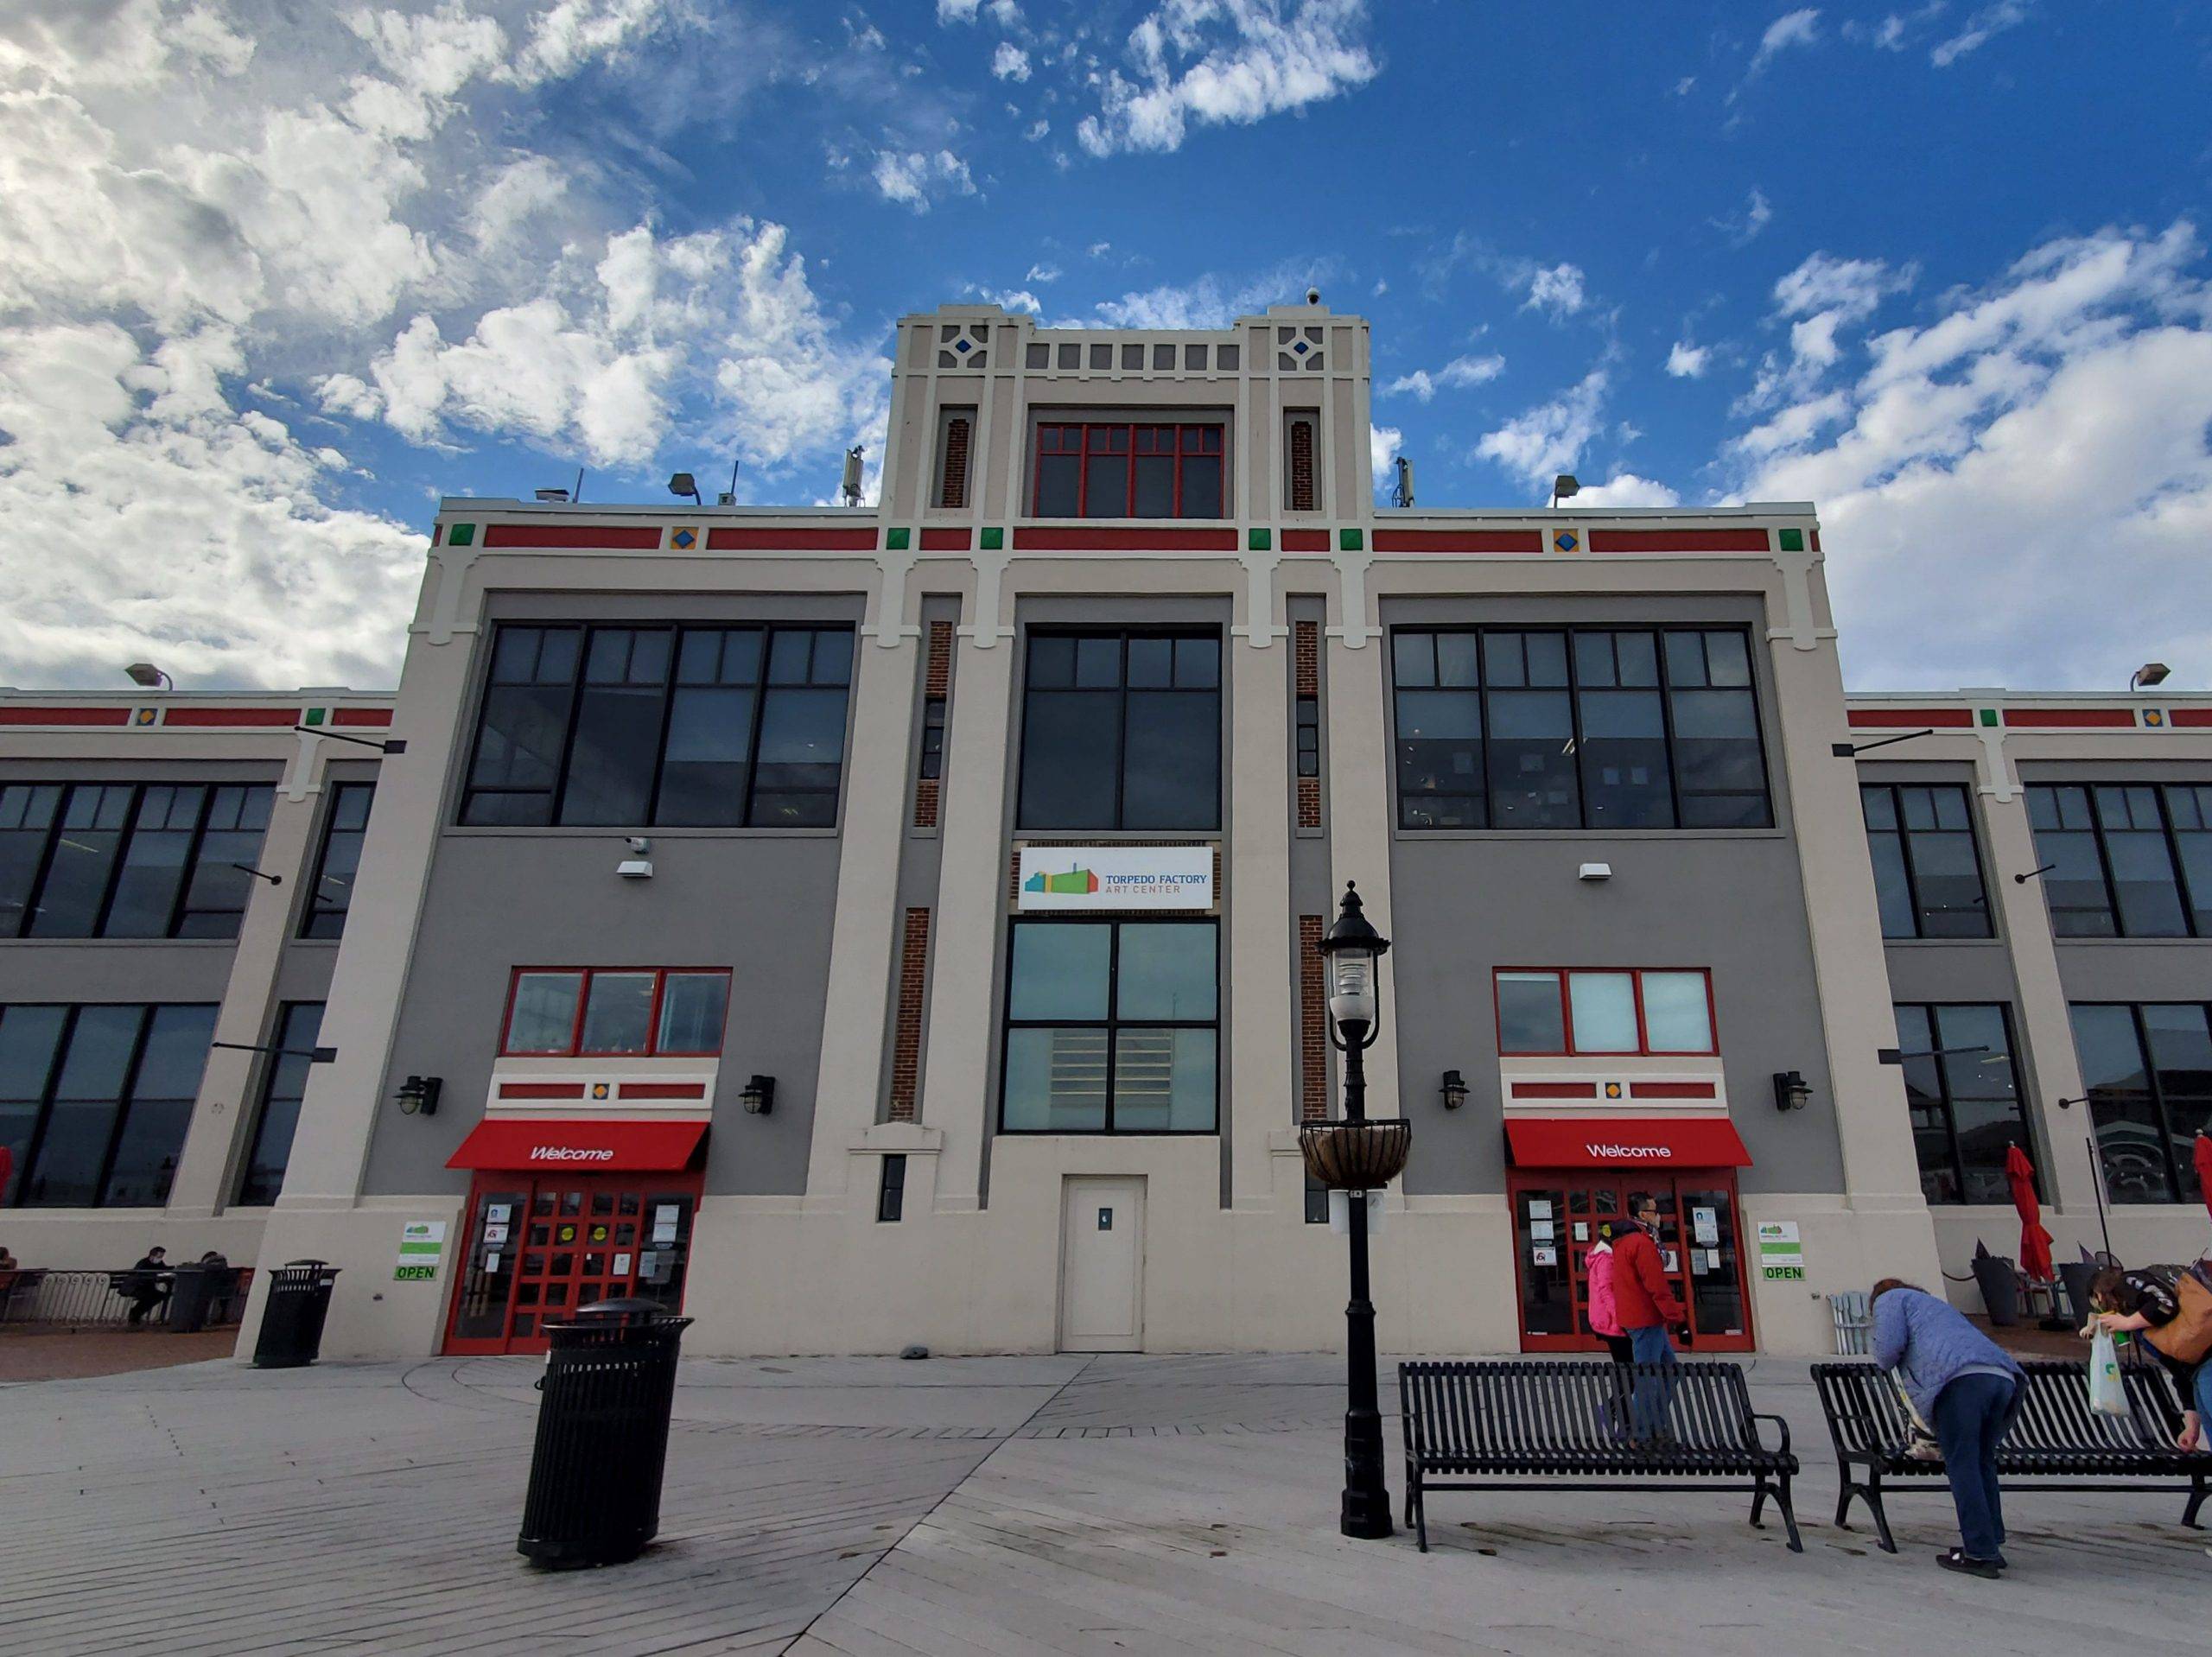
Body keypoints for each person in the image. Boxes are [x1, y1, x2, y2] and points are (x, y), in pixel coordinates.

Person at [1870, 1278, 2024, 1578]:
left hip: (1960, 1381)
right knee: (1982, 1462)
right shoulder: (1935, 1306)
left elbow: (1887, 1353)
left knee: (1962, 1463)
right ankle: (1991, 1542)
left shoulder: (1890, 1300)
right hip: (2002, 1377)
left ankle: (1980, 1553)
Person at [2082, 1265, 2211, 1452]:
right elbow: (2178, 1370)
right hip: (2196, 1370)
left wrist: (2127, 1322)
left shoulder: (2128, 1283)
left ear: (2099, 1294)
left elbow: (2166, 1304)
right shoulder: (2144, 1327)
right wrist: (2192, 1425)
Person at [1611, 1196, 1691, 1440]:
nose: (1659, 1215)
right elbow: (1656, 1285)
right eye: (1654, 1211)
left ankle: (1655, 1425)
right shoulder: (1642, 1244)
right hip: (1646, 1319)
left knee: (1669, 1371)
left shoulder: (1624, 1242)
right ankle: (1637, 1433)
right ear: (1643, 1215)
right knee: (1648, 1379)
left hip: (1641, 1318)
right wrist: (1677, 1318)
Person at [1586, 1224, 1630, 1364]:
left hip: (1606, 1319)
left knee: (1623, 1365)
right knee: (1626, 1365)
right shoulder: (1606, 1259)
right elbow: (1606, 1290)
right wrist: (1620, 1318)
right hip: (1612, 1322)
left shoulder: (1600, 1257)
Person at [124, 1246, 172, 1327]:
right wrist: (155, 1276)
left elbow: (164, 1269)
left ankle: (136, 1315)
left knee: (159, 1296)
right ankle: (135, 1315)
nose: (160, 1259)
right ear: (152, 1256)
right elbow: (139, 1276)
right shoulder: (143, 1263)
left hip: (147, 1288)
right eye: (159, 1257)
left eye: (162, 1257)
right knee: (149, 1297)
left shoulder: (159, 1263)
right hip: (135, 1288)